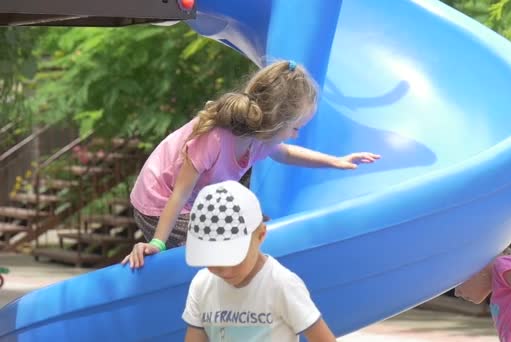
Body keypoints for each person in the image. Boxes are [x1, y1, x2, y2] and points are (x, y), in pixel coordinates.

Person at [122, 60, 380, 268]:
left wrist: (336, 161)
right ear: (276, 121)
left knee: (259, 229)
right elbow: (179, 194)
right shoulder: (215, 137)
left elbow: (288, 154)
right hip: (159, 203)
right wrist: (157, 243)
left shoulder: (260, 138)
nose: (295, 134)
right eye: (295, 127)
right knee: (226, 239)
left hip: (195, 204)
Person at [182, 180, 336, 342]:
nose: (225, 270)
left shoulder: (281, 284)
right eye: (212, 259)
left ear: (261, 235)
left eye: (234, 258)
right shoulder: (202, 284)